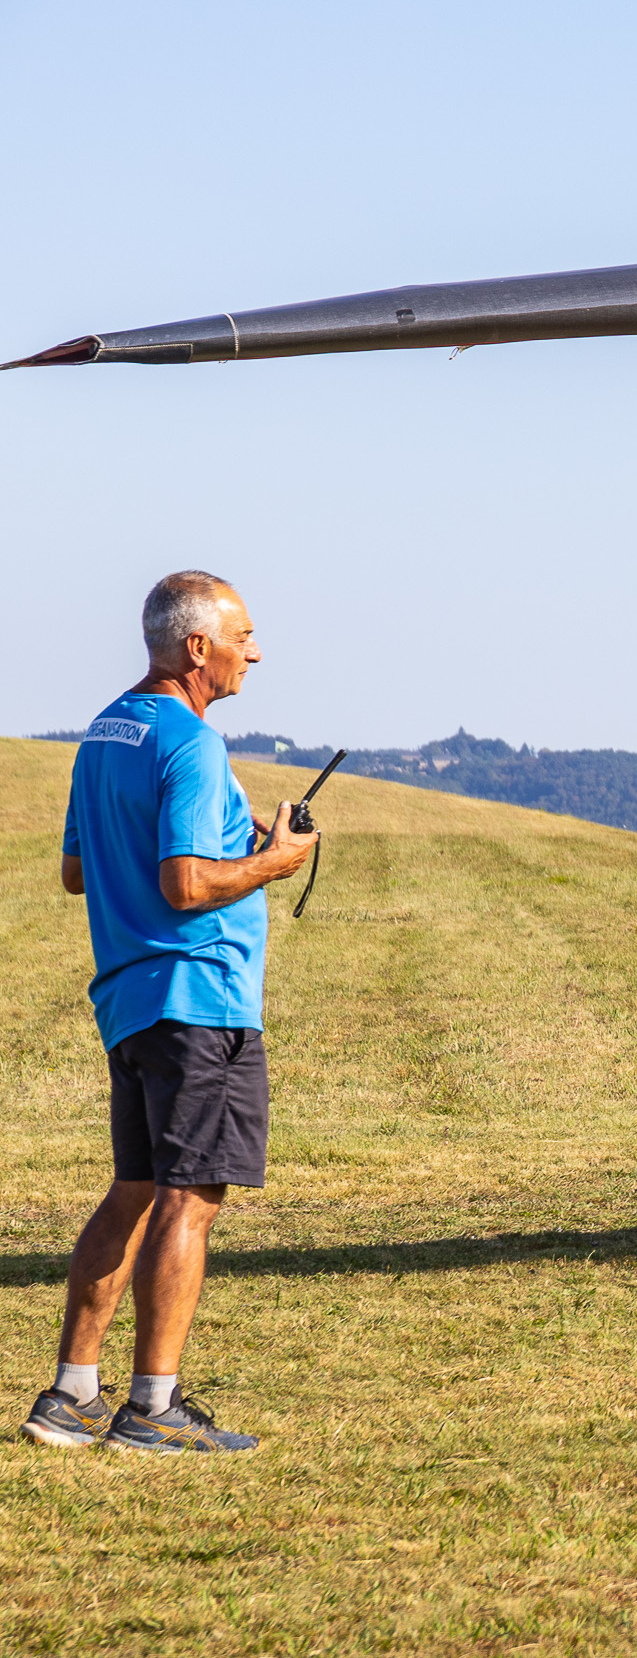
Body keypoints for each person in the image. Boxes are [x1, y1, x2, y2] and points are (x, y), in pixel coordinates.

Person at [21, 572, 315, 1454]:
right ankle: (153, 1408)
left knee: (137, 1190)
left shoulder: (104, 733)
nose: (254, 651)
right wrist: (273, 863)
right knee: (191, 1197)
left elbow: (78, 870)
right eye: (243, 635)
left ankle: (71, 1396)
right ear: (198, 647)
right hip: (199, 996)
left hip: (131, 1000)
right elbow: (185, 884)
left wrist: (231, 844)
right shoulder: (191, 743)